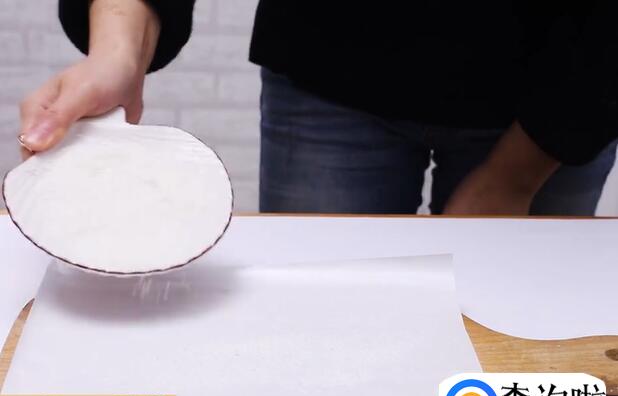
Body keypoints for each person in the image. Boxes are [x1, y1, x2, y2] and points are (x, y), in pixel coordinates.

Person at [19, 0, 618, 215]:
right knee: (320, 317)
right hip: (331, 61)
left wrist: (513, 179)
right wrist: (119, 47)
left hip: (563, 86)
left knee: (514, 337)